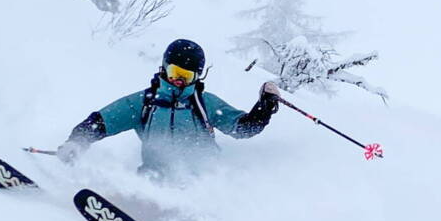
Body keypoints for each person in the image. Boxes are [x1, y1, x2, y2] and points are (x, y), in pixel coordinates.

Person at [57, 39, 281, 177]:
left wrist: (265, 106)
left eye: (187, 76)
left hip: (203, 182)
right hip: (156, 180)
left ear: (197, 77)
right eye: (175, 73)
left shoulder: (205, 104)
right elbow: (102, 121)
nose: (179, 81)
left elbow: (243, 128)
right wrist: (77, 141)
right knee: (146, 183)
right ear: (164, 68)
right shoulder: (144, 103)